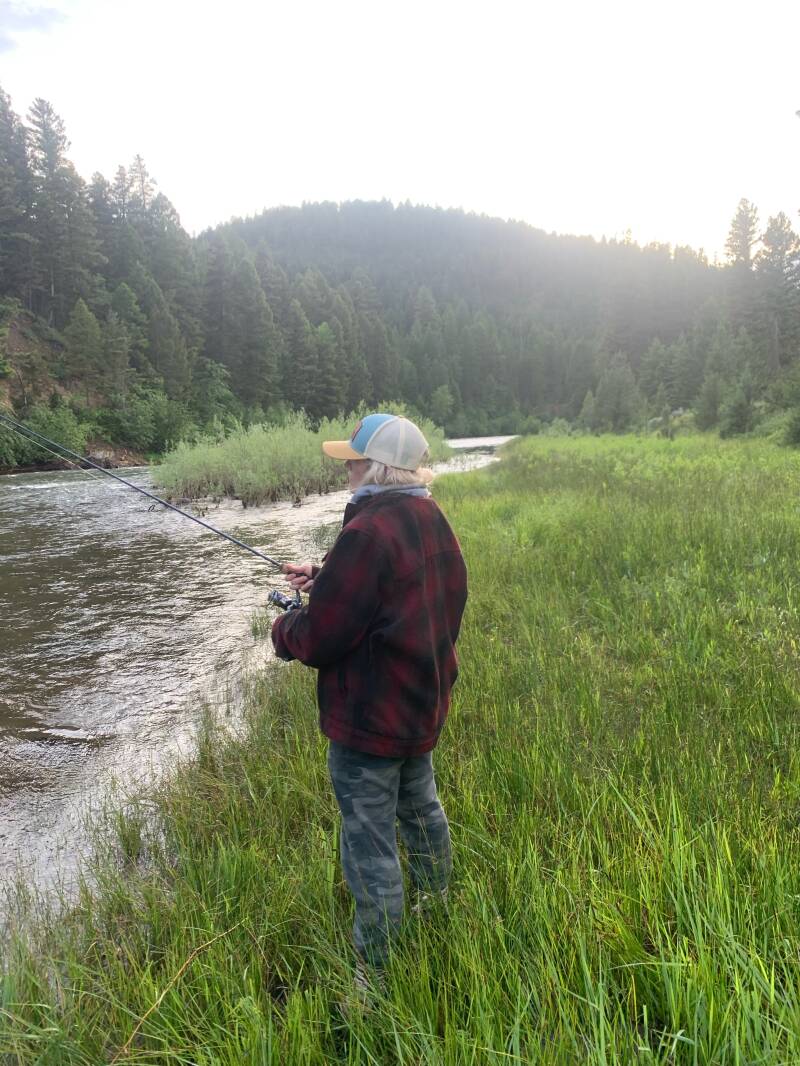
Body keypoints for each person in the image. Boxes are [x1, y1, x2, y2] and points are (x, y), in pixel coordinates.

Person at [271, 412, 468, 987]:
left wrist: (284, 630)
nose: (348, 470)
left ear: (376, 468)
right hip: (418, 708)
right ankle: (436, 905)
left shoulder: (366, 532)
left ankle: (374, 977)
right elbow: (405, 590)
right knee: (422, 810)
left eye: (354, 461)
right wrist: (326, 575)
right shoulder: (430, 518)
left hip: (369, 721)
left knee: (369, 843)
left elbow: (320, 638)